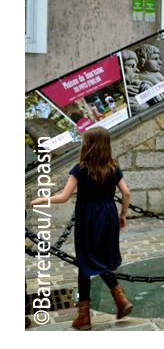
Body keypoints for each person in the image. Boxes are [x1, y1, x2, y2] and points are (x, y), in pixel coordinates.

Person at [30, 127, 133, 330]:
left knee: (86, 260)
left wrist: (43, 199)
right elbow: (126, 193)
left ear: (88, 145)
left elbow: (64, 197)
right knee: (97, 259)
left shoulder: (81, 168)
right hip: (109, 214)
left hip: (89, 218)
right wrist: (122, 215)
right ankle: (116, 301)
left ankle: (89, 314)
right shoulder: (113, 168)